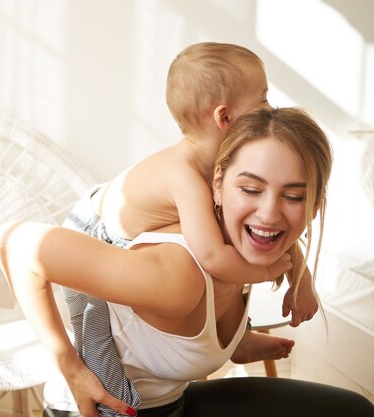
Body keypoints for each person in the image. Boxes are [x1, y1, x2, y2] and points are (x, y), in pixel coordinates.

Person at [0, 107, 374, 417]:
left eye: (294, 196)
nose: (269, 213)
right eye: (250, 189)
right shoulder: (178, 276)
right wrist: (71, 370)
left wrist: (246, 341)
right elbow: (14, 245)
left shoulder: (249, 252)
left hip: (173, 403)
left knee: (352, 411)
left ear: (314, 206)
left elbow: (183, 343)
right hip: (106, 410)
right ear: (218, 184)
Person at [59, 42, 316, 415]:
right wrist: (275, 269)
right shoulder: (185, 175)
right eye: (262, 101)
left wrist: (301, 275)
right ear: (225, 118)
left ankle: (235, 339)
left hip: (116, 232)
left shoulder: (219, 166)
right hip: (88, 241)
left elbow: (258, 233)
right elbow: (213, 257)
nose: (270, 110)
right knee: (98, 354)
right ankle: (111, 407)